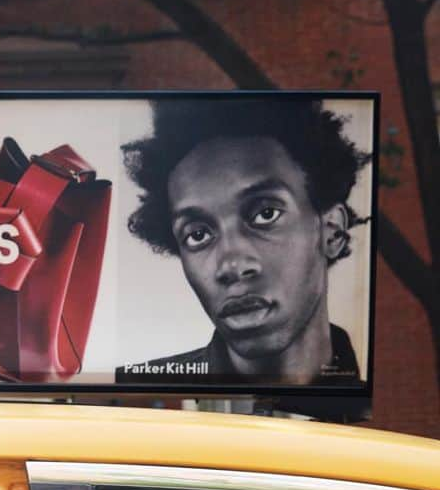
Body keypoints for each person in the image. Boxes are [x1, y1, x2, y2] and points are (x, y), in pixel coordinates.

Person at [115, 97, 370, 387]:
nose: (232, 266)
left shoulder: (388, 397)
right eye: (198, 234)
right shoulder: (134, 393)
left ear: (331, 231)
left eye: (265, 214)